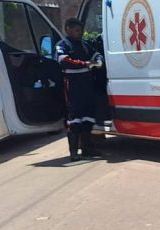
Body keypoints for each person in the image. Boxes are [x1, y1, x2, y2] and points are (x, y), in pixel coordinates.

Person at [56, 18, 103, 161]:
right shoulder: (62, 45)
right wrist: (86, 64)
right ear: (68, 29)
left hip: (87, 84)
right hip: (72, 85)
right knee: (74, 119)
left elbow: (97, 55)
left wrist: (98, 61)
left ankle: (87, 148)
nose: (80, 33)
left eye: (81, 30)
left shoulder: (84, 45)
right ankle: (74, 152)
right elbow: (64, 60)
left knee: (88, 117)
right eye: (77, 30)